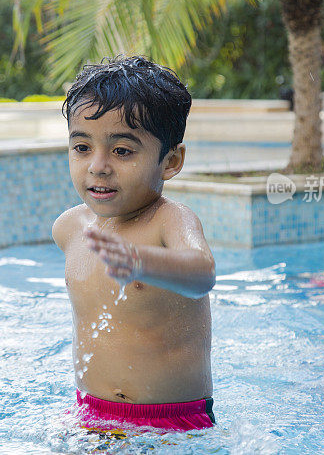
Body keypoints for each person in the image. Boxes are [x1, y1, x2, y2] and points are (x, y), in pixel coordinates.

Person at [52, 55, 217, 434]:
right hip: (89, 415)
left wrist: (142, 262)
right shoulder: (69, 228)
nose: (98, 165)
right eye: (81, 148)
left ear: (171, 161)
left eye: (122, 151)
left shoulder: (170, 221)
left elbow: (202, 274)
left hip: (172, 424)